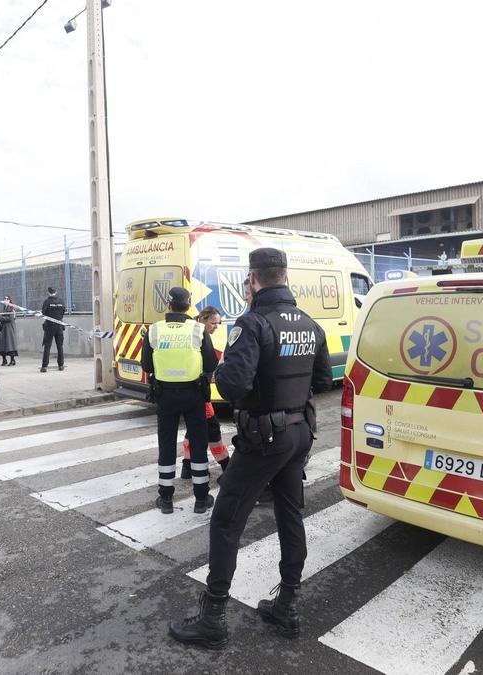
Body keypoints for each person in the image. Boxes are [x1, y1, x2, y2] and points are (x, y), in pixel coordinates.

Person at [169, 247, 331, 649]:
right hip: (298, 434)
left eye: (248, 281)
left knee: (226, 520)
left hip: (264, 438)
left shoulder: (253, 323)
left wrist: (225, 369)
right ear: (285, 276)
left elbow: (232, 386)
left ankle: (213, 618)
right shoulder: (311, 324)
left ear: (253, 279)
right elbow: (325, 381)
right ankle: (287, 605)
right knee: (290, 513)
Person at [141, 287, 219, 515]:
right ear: (189, 303)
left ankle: (166, 499)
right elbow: (211, 365)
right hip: (193, 395)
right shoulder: (197, 329)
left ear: (169, 303)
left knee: (166, 446)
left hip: (165, 396)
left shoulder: (155, 331)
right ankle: (201, 499)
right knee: (198, 444)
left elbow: (146, 365)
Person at [179, 306, 229, 478]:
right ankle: (226, 466)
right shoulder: (199, 334)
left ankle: (187, 465)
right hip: (198, 392)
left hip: (189, 391)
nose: (216, 327)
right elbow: (208, 365)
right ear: (203, 320)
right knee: (213, 429)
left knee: (193, 429)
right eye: (213, 323)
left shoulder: (191, 331)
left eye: (218, 323)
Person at [40, 286, 66, 373]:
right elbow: (63, 312)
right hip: (59, 326)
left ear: (48, 292)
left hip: (49, 326)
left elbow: (43, 313)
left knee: (47, 346)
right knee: (60, 346)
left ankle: (44, 366)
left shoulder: (47, 302)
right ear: (56, 292)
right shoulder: (61, 301)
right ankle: (61, 365)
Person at [0, 296, 19, 366]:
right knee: (3, 344)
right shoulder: (4, 308)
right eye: (4, 299)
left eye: (7, 299)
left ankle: (12, 360)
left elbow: (10, 318)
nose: (5, 300)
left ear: (10, 301)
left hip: (9, 329)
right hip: (4, 328)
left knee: (10, 344)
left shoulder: (12, 309)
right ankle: (4, 360)